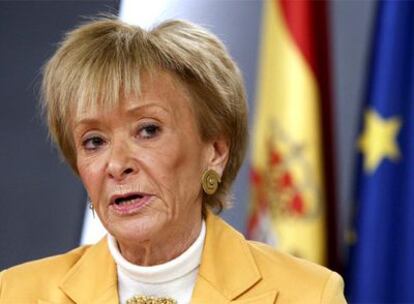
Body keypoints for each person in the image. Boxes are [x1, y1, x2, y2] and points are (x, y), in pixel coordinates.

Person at [0, 17, 346, 304]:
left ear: (215, 151)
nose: (117, 164)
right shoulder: (15, 294)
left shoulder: (308, 294)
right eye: (94, 141)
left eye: (147, 130)